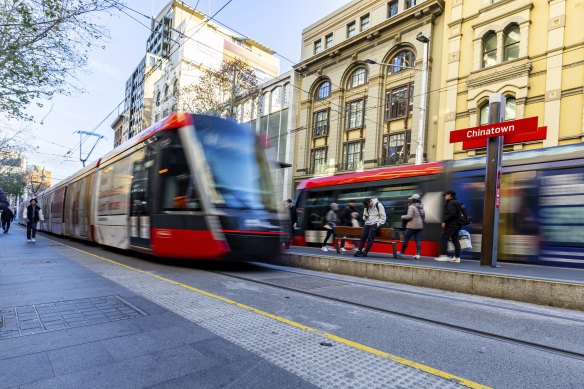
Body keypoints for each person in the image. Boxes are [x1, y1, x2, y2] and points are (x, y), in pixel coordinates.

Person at [435, 190, 462, 263]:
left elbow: (452, 214)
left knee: (444, 237)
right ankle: (457, 257)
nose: (444, 196)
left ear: (449, 195)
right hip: (457, 224)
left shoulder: (452, 203)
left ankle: (444, 255)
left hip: (452, 224)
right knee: (455, 240)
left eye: (445, 195)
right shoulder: (456, 202)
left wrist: (444, 221)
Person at [396, 194, 425, 259]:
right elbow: (423, 216)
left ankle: (401, 252)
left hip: (412, 226)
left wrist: (402, 216)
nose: (411, 200)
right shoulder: (421, 206)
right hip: (419, 226)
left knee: (406, 239)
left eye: (411, 199)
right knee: (418, 240)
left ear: (413, 200)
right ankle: (418, 254)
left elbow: (410, 216)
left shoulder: (411, 207)